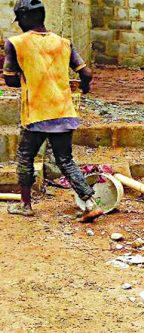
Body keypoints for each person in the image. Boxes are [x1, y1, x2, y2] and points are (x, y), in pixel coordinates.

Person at [3, 0, 101, 221]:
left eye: (19, 20)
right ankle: (89, 203)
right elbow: (86, 73)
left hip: (36, 114)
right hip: (64, 112)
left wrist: (30, 79)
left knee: (25, 157)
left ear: (25, 18)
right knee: (65, 160)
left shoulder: (16, 43)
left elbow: (9, 80)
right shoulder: (63, 43)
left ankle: (25, 205)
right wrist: (84, 89)